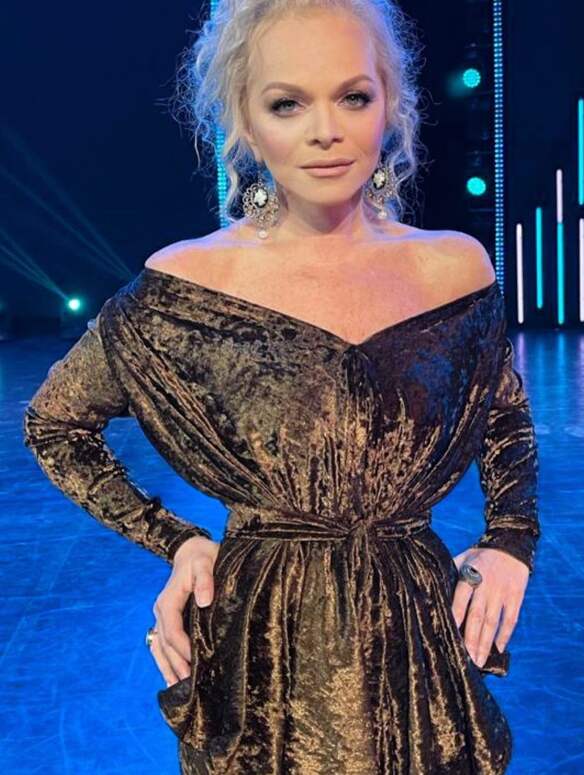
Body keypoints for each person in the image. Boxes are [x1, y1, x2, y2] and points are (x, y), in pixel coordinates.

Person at [23, 1, 540, 772]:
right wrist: (175, 540)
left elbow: (503, 417)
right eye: (287, 103)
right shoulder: (187, 285)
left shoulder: (456, 269)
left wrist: (510, 541)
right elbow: (56, 425)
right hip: (262, 658)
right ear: (245, 120)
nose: (325, 130)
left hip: (418, 651)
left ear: (390, 103)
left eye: (353, 96)